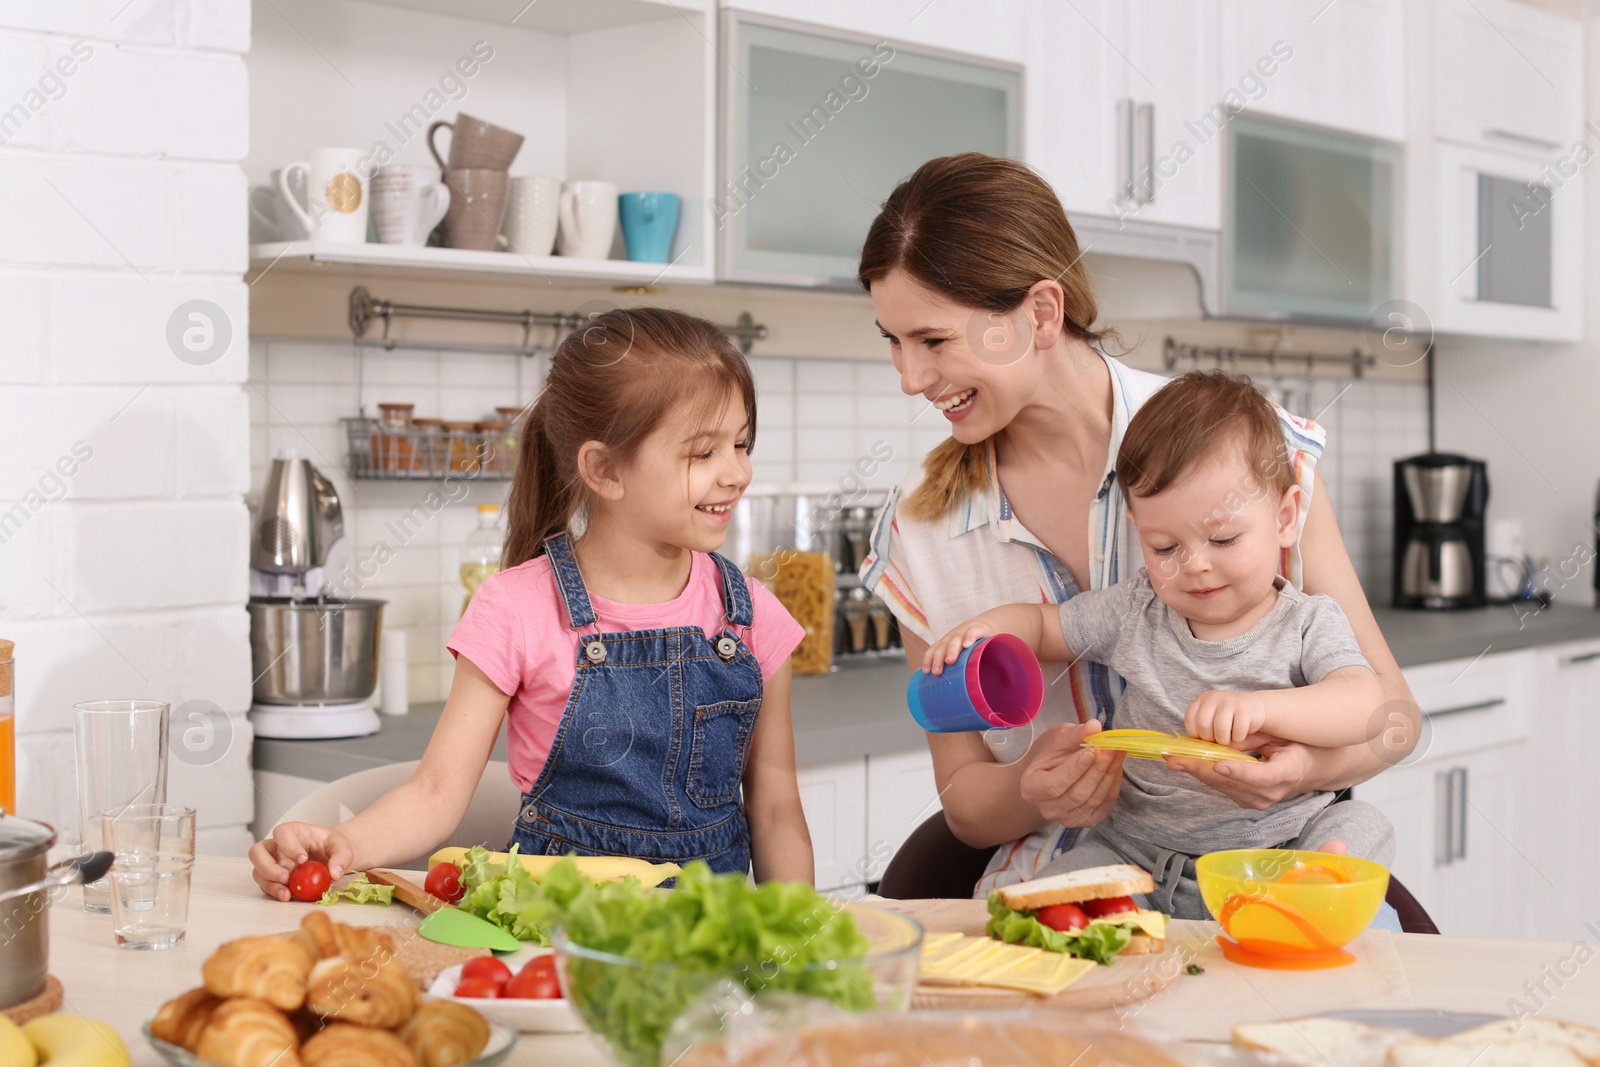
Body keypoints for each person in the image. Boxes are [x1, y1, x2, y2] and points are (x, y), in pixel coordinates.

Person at [857, 152, 1419, 900]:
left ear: (1041, 314)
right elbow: (963, 800)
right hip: (1075, 896)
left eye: (933, 340)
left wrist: (1310, 770)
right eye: (892, 341)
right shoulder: (920, 531)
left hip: (1260, 879)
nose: (909, 377)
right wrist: (1032, 787)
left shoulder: (1246, 453)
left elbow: (1396, 721)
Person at [249, 308, 815, 898]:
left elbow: (775, 811)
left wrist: (794, 939)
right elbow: (435, 794)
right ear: (603, 469)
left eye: (742, 444)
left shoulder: (749, 613)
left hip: (710, 954)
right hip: (554, 949)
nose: (739, 473)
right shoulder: (515, 608)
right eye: (704, 453)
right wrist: (344, 844)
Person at [921, 371, 1396, 917]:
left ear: (1286, 518)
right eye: (1164, 545)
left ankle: (1302, 908)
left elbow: (1367, 703)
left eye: (1223, 539)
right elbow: (1043, 626)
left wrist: (1262, 708)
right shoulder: (1136, 610)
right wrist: (984, 630)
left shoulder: (1309, 622)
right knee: (1042, 904)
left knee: (1361, 826)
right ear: (1136, 525)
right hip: (1137, 855)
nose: (1195, 564)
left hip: (1275, 855)